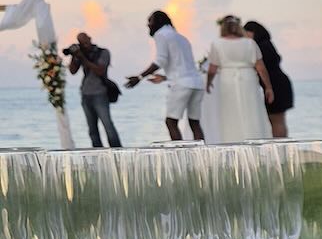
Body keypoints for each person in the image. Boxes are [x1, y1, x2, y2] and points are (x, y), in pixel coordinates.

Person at [126, 10, 205, 140]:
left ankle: (179, 155)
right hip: (197, 84)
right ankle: (203, 155)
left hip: (181, 85)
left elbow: (160, 60)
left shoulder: (161, 34)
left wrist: (139, 77)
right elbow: (186, 66)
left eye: (150, 21)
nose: (148, 25)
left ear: (158, 22)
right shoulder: (181, 37)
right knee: (194, 123)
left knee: (171, 122)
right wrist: (165, 78)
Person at [206, 13, 273, 141]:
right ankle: (254, 139)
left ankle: (232, 141)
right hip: (248, 78)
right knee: (251, 110)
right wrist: (268, 87)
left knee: (230, 112)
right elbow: (260, 67)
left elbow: (212, 68)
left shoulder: (217, 44)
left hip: (227, 79)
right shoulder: (250, 43)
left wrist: (208, 83)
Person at [64, 29, 122, 147]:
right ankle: (98, 154)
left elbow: (100, 70)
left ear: (90, 39)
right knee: (92, 129)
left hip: (100, 93)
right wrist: (75, 56)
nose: (85, 45)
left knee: (108, 125)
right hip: (86, 95)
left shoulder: (103, 52)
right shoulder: (81, 54)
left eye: (85, 42)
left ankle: (117, 152)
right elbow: (72, 71)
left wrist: (83, 58)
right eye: (81, 43)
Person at [244, 21, 294, 138]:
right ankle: (280, 144)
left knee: (275, 119)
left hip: (275, 85)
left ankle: (279, 145)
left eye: (247, 33)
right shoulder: (267, 45)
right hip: (280, 83)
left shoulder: (261, 47)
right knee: (278, 119)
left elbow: (260, 67)